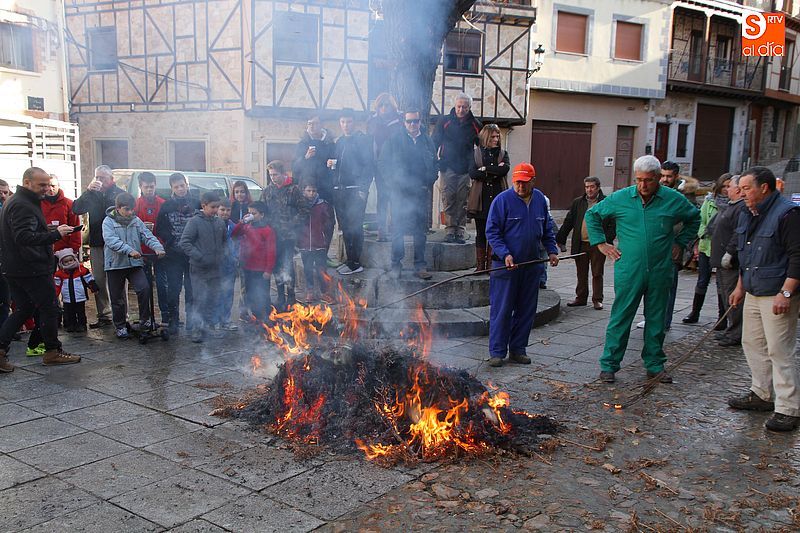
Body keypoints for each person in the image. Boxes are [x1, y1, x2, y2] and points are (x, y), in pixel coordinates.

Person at [585, 155, 700, 383]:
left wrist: (681, 242)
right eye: (639, 179)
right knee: (621, 316)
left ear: (658, 178)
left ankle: (655, 364)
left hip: (660, 268)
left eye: (648, 180)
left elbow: (694, 218)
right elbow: (593, 215)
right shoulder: (622, 198)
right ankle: (609, 364)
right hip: (630, 268)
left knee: (656, 318)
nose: (643, 185)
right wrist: (601, 243)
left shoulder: (672, 199)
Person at [728, 167, 800, 432]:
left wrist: (787, 292)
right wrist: (740, 287)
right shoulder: (749, 213)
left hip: (777, 293)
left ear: (764, 188)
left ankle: (788, 408)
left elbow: (797, 256)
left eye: (746, 188)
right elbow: (746, 256)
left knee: (779, 350)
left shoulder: (787, 214)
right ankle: (761, 393)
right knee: (753, 343)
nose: (741, 193)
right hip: (754, 290)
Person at [0, 167, 81, 371]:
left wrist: (47, 232)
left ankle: (0, 351)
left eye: (48, 184)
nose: (46, 189)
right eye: (42, 184)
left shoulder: (19, 201)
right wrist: (56, 235)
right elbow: (23, 237)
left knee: (24, 309)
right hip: (31, 268)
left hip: (17, 267)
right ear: (27, 182)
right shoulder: (22, 204)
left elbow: (23, 232)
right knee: (49, 308)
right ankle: (53, 351)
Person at [485, 163, 559, 367]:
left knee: (526, 310)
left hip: (531, 265)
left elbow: (547, 229)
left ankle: (518, 349)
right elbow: (492, 232)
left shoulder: (540, 201)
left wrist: (552, 251)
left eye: (525, 183)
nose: (520, 187)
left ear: (533, 181)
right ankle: (497, 352)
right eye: (517, 182)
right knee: (502, 309)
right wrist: (505, 253)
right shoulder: (502, 201)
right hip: (505, 267)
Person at [379, 109, 438, 280]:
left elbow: (435, 163)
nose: (412, 124)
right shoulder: (394, 140)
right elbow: (383, 163)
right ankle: (396, 265)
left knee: (420, 231)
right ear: (404, 122)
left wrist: (429, 181)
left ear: (420, 122)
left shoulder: (427, 141)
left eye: (416, 121)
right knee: (398, 230)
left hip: (420, 192)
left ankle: (420, 266)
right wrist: (392, 184)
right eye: (409, 121)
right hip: (399, 193)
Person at [103, 193, 165, 339]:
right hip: (115, 265)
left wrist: (158, 248)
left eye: (132, 209)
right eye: (127, 209)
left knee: (143, 288)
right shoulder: (108, 222)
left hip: (134, 264)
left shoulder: (136, 220)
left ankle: (145, 320)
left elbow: (147, 235)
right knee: (117, 297)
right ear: (118, 208)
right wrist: (129, 250)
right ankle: (120, 325)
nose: (130, 212)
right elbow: (111, 240)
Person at [72, 165, 125, 328]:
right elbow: (76, 209)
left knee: (118, 279)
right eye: (97, 177)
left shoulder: (119, 194)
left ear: (112, 179)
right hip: (97, 242)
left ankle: (122, 315)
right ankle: (104, 315)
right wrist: (88, 191)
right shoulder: (92, 194)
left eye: (103, 178)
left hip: (115, 243)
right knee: (99, 280)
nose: (100, 181)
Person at [556, 177, 616, 310]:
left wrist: (607, 239)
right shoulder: (578, 202)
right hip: (581, 243)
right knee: (581, 272)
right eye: (587, 187)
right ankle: (581, 297)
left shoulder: (606, 202)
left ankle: (597, 299)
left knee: (597, 272)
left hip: (598, 244)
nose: (589, 189)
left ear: (598, 187)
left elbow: (613, 223)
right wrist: (560, 238)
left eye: (592, 187)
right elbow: (569, 221)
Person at [433, 92, 482, 244]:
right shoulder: (444, 121)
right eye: (459, 106)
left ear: (469, 108)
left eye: (465, 107)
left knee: (462, 200)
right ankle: (449, 229)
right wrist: (433, 162)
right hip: (447, 166)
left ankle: (460, 230)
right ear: (455, 106)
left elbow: (481, 147)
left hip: (466, 169)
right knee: (448, 198)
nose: (461, 110)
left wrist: (478, 166)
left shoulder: (476, 124)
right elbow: (434, 142)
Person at [683, 173, 731, 325]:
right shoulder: (710, 201)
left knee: (721, 283)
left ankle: (721, 317)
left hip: (723, 248)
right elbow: (701, 221)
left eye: (729, 186)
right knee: (702, 280)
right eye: (724, 186)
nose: (726, 189)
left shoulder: (735, 204)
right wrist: (703, 234)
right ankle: (695, 312)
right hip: (707, 246)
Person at [179, 191, 228, 342]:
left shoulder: (219, 222)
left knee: (213, 298)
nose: (215, 210)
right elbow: (185, 242)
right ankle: (197, 329)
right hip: (199, 269)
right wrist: (200, 256)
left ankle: (209, 326)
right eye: (213, 207)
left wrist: (224, 256)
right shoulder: (194, 222)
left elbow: (225, 241)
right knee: (200, 299)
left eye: (217, 207)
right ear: (203, 206)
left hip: (216, 268)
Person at [329, 108, 373, 275]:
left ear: (354, 122)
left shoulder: (362, 140)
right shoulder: (339, 142)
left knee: (355, 227)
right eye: (343, 122)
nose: (346, 125)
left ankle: (356, 263)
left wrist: (363, 189)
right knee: (346, 228)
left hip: (355, 191)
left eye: (349, 122)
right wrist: (331, 166)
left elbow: (369, 166)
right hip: (340, 191)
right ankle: (349, 260)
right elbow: (336, 166)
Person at [155, 173, 200, 333]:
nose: (180, 189)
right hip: (173, 254)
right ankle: (174, 319)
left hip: (192, 254)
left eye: (182, 185)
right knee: (173, 288)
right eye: (176, 187)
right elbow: (159, 228)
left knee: (192, 288)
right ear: (172, 188)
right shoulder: (166, 206)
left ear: (187, 185)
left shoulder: (196, 203)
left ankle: (192, 321)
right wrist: (171, 240)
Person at [467, 124, 509, 272]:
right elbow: (473, 173)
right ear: (486, 137)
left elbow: (504, 170)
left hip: (498, 196)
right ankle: (480, 266)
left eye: (497, 136)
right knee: (481, 232)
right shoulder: (476, 153)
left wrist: (484, 169)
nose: (496, 139)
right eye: (493, 136)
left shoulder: (503, 153)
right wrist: (493, 171)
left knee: (495, 231)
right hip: (481, 198)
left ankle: (491, 264)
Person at [261, 161, 302, 310]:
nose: (273, 177)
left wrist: (292, 223)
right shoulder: (267, 191)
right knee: (277, 266)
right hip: (272, 237)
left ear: (283, 173)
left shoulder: (294, 190)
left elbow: (304, 210)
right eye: (270, 175)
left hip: (289, 236)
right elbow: (262, 211)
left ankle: (291, 296)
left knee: (288, 265)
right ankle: (280, 296)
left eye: (275, 174)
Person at [712, 175, 744, 347]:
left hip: (730, 262)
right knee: (725, 296)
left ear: (738, 189)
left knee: (733, 297)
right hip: (721, 261)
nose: (727, 189)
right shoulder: (732, 206)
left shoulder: (740, 208)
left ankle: (736, 332)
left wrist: (729, 253)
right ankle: (731, 330)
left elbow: (738, 232)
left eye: (730, 186)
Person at [366, 93, 403, 242]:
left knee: (396, 199)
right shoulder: (373, 122)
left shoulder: (400, 120)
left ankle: (396, 229)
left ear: (392, 106)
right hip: (379, 166)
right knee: (382, 198)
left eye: (386, 105)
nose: (384, 108)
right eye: (381, 105)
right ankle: (382, 230)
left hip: (397, 167)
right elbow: (369, 143)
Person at [232, 201, 276, 322]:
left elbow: (271, 252)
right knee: (250, 293)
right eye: (249, 212)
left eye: (254, 213)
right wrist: (241, 222)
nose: (251, 215)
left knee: (263, 294)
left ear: (262, 215)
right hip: (247, 267)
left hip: (261, 269)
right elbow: (234, 234)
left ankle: (267, 317)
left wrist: (268, 270)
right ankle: (256, 317)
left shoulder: (267, 230)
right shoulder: (246, 227)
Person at [134, 172, 168, 324]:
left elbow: (167, 227)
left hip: (159, 250)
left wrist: (161, 244)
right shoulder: (135, 205)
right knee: (145, 286)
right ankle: (146, 317)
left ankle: (165, 315)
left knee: (162, 284)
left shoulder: (162, 203)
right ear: (140, 187)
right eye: (146, 187)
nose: (149, 190)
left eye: (152, 187)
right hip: (142, 251)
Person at [297, 181, 334, 303]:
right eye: (308, 191)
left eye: (313, 191)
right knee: (307, 268)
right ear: (304, 191)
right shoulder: (300, 205)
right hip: (305, 244)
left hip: (319, 244)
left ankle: (325, 292)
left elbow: (329, 224)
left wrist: (326, 240)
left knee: (321, 269)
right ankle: (310, 291)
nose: (311, 193)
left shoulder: (323, 205)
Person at [293, 114, 336, 204]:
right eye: (309, 123)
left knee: (325, 215)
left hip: (325, 188)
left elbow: (336, 166)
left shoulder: (330, 144)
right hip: (307, 188)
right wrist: (305, 157)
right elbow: (295, 167)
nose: (312, 126)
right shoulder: (302, 144)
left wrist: (331, 164)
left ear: (321, 125)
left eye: (315, 123)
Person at [54, 248, 97, 334]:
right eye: (66, 262)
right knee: (69, 312)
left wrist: (94, 288)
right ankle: (71, 324)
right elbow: (57, 286)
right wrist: (55, 295)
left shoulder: (82, 270)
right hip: (67, 297)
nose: (69, 263)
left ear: (75, 259)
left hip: (80, 296)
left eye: (71, 260)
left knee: (81, 312)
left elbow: (89, 280)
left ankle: (82, 325)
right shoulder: (59, 274)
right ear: (61, 263)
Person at [41, 174, 81, 255]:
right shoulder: (38, 204)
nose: (50, 189)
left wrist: (74, 248)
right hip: (43, 248)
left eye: (53, 186)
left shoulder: (68, 203)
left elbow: (75, 227)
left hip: (65, 250)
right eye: (48, 186)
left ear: (58, 186)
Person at [216, 199, 239, 330]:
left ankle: (226, 319)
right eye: (222, 210)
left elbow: (238, 243)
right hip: (215, 265)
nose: (225, 213)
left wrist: (236, 257)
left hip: (229, 265)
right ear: (217, 210)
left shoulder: (233, 227)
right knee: (216, 292)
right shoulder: (212, 224)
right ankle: (215, 320)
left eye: (228, 210)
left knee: (228, 292)